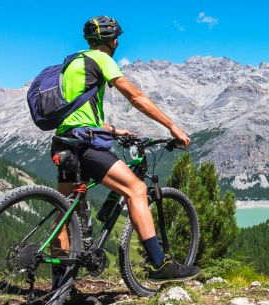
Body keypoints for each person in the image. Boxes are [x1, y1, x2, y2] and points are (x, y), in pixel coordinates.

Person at [50, 16, 200, 287]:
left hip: (63, 142)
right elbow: (136, 97)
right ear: (112, 40)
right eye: (116, 38)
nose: (117, 42)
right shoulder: (102, 59)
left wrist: (112, 130)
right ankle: (160, 263)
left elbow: (77, 112)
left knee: (64, 212)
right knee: (136, 189)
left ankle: (59, 287)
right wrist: (171, 126)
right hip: (84, 146)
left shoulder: (71, 62)